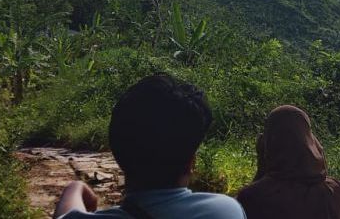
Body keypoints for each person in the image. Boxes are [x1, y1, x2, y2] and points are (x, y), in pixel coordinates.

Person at [53, 74, 246, 219]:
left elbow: (66, 212)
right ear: (191, 162)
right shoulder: (224, 211)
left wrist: (75, 187)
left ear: (117, 152)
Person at [237, 105, 340, 219]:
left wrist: (262, 166)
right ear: (309, 140)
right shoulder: (336, 190)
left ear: (270, 142)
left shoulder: (252, 197)